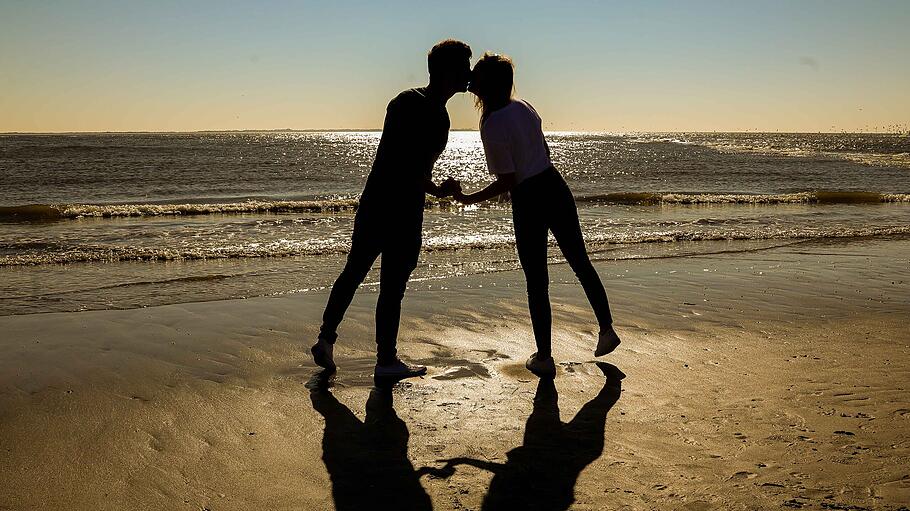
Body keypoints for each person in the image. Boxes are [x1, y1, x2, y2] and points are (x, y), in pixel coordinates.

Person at [451, 53, 621, 378]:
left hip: (528, 198)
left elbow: (508, 180)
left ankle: (544, 357)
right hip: (554, 184)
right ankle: (606, 329)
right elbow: (542, 150)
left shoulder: (492, 123)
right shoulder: (524, 106)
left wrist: (470, 198)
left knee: (536, 280)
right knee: (579, 261)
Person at [311, 39, 472, 378]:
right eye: (464, 66)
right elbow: (403, 163)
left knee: (361, 274)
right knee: (382, 282)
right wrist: (435, 188)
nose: (468, 73)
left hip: (388, 202)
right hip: (396, 206)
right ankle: (379, 359)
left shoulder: (427, 109)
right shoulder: (413, 104)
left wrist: (437, 189)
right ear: (447, 71)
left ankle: (337, 343)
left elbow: (410, 166)